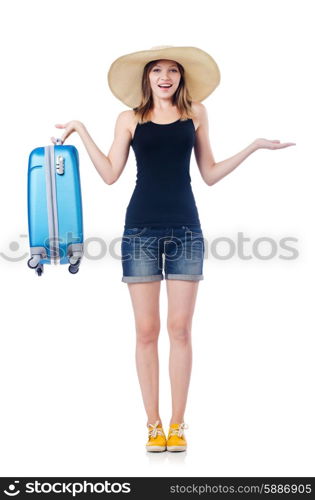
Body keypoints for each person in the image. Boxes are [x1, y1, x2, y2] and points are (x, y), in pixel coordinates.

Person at [51, 45, 295, 453]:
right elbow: (110, 174)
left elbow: (210, 173)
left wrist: (252, 147)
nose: (165, 77)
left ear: (181, 78)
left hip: (185, 228)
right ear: (147, 78)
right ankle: (153, 425)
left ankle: (178, 426)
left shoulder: (195, 113)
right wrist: (80, 128)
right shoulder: (129, 118)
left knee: (180, 330)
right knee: (146, 332)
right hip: (139, 230)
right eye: (157, 70)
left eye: (173, 71)